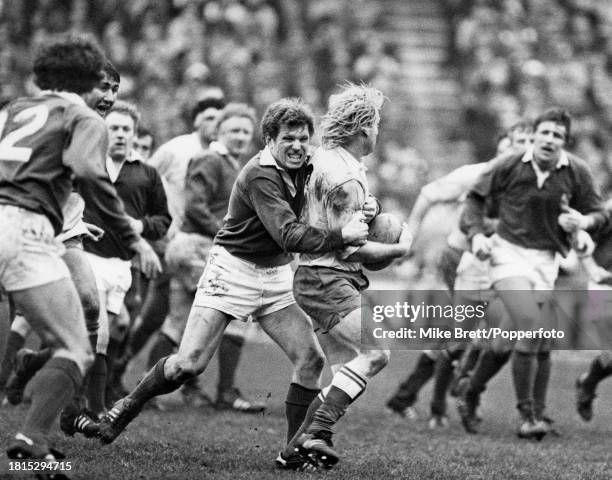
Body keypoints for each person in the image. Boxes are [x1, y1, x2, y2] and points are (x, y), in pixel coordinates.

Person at [97, 98, 369, 455]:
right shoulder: (259, 174)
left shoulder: (308, 164)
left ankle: (292, 451)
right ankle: (127, 405)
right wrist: (341, 236)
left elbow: (336, 179)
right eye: (288, 138)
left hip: (275, 275)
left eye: (303, 138)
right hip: (232, 269)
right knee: (188, 364)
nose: (297, 146)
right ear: (269, 139)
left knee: (310, 361)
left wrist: (368, 206)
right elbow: (287, 235)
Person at [0, 34, 156, 462]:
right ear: (86, 79)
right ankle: (30, 442)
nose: (103, 94)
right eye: (100, 83)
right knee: (77, 347)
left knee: (71, 324)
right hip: (27, 231)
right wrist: (133, 238)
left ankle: (31, 431)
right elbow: (91, 174)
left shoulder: (14, 110)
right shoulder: (83, 117)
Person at [283, 84, 413, 469]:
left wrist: (367, 213)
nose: (379, 132)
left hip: (318, 275)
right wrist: (398, 249)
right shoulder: (347, 179)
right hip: (327, 278)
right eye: (377, 124)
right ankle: (316, 432)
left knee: (344, 372)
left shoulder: (333, 161)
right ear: (364, 128)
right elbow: (353, 249)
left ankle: (290, 453)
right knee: (377, 352)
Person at [460, 107, 605, 439]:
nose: (550, 140)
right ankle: (528, 417)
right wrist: (477, 234)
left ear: (565, 142)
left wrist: (583, 222)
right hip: (508, 254)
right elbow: (474, 199)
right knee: (530, 325)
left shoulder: (576, 172)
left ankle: (471, 390)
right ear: (535, 135)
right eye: (545, 132)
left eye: (557, 135)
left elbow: (599, 213)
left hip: (546, 261)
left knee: (506, 343)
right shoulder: (510, 163)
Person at [385, 120, 533, 426]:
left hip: (495, 263)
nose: (518, 150)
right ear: (500, 147)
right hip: (461, 258)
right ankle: (450, 395)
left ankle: (419, 394)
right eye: (512, 144)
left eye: (524, 143)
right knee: (464, 334)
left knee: (483, 333)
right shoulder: (477, 174)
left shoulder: (528, 181)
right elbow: (429, 193)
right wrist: (410, 232)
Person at [153, 102, 265, 412]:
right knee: (236, 316)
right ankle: (224, 391)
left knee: (179, 323)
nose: (241, 136)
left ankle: (148, 391)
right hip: (198, 247)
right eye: (234, 130)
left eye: (245, 130)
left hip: (199, 246)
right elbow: (196, 207)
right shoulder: (209, 160)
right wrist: (228, 235)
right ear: (219, 132)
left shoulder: (233, 164)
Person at [118, 95, 227, 406]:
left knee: (168, 315)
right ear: (195, 121)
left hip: (195, 246)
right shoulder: (177, 149)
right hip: (171, 242)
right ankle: (128, 373)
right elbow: (139, 179)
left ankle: (124, 371)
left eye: (219, 119)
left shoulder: (221, 155)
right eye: (208, 118)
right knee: (170, 315)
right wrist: (146, 227)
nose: (214, 124)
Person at [79, 100, 168, 422]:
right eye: (113, 128)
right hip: (86, 258)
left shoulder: (146, 174)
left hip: (122, 265)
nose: (119, 134)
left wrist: (141, 226)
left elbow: (163, 220)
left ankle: (31, 366)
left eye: (125, 129)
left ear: (134, 133)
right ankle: (90, 406)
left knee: (112, 329)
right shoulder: (87, 166)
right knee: (98, 333)